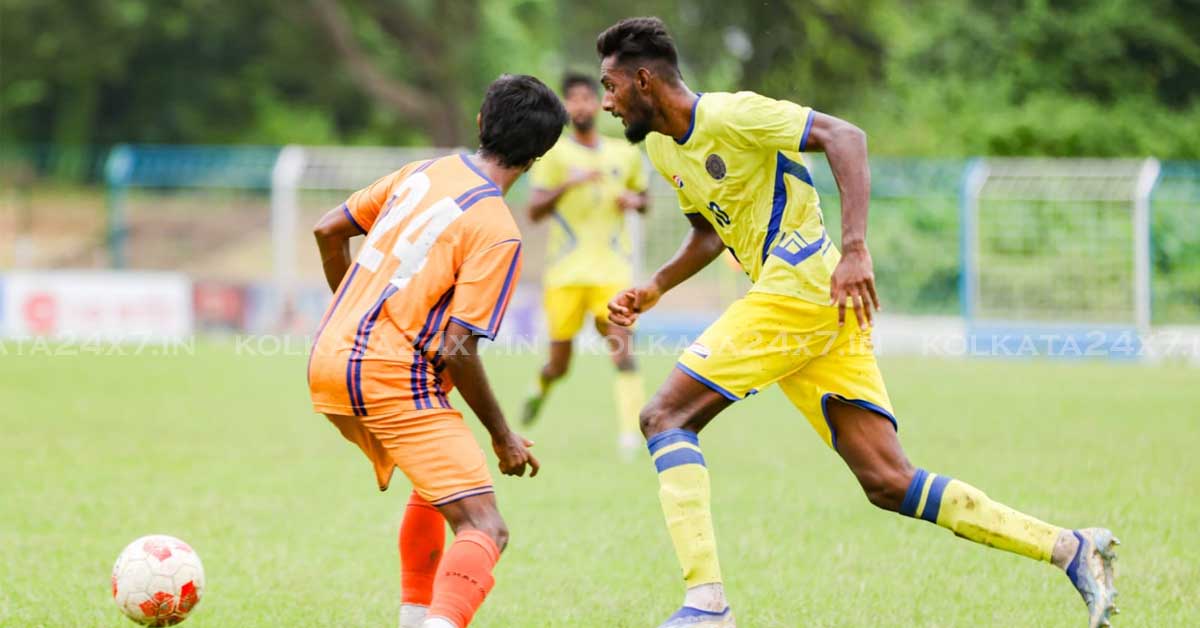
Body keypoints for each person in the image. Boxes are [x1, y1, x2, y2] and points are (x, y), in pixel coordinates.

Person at [595, 17, 1119, 628]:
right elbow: (709, 232)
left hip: (805, 286)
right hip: (810, 304)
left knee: (663, 417)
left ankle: (706, 605)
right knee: (888, 482)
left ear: (643, 80)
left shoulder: (733, 114)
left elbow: (847, 136)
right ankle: (1070, 548)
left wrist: (856, 248)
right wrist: (654, 286)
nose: (605, 102)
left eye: (609, 86)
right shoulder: (661, 145)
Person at [307, 74, 567, 628]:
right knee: (485, 526)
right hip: (387, 373)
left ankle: (413, 617)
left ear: (480, 121)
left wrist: (359, 316)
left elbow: (329, 230)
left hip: (328, 357)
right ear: (540, 153)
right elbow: (458, 348)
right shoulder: (497, 229)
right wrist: (504, 436)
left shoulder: (422, 172)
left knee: (440, 481)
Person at [522, 71, 650, 459]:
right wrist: (568, 184)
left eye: (585, 98)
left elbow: (644, 201)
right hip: (565, 274)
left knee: (622, 350)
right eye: (572, 99)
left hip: (612, 271)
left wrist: (634, 202)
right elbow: (534, 210)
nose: (580, 105)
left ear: (597, 103)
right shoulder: (554, 154)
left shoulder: (624, 153)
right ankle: (538, 391)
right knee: (559, 365)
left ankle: (631, 434)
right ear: (565, 106)